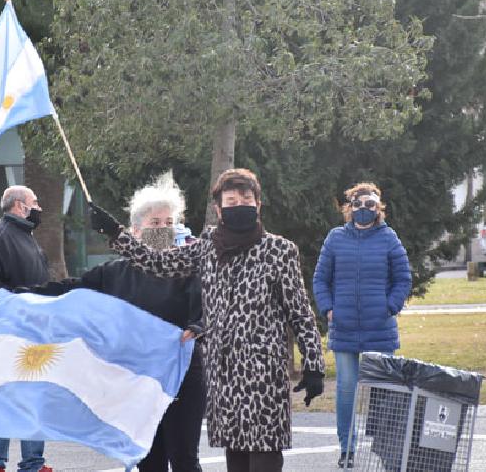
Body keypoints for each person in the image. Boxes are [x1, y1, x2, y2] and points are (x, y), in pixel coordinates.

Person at [90, 168, 325, 472]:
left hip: (264, 373)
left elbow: (300, 312)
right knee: (236, 458)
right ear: (218, 209)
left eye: (246, 198)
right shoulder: (206, 249)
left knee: (265, 456)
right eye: (230, 200)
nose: (239, 204)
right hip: (223, 374)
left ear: (258, 204)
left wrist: (314, 365)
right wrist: (115, 233)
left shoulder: (279, 250)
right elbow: (157, 264)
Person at [28, 172, 205, 472]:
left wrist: (198, 323)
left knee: (185, 458)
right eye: (155, 223)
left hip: (182, 376)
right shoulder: (113, 273)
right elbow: (72, 290)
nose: (163, 229)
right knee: (149, 460)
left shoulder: (188, 268)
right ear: (135, 231)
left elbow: (203, 303)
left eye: (168, 223)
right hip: (136, 377)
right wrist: (20, 295)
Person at [312, 182, 412, 469]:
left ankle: (386, 448)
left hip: (379, 328)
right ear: (350, 208)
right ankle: (347, 448)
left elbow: (403, 278)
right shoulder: (335, 238)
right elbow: (320, 279)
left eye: (371, 205)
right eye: (359, 204)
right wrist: (328, 308)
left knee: (384, 393)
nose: (364, 210)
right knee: (345, 388)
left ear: (378, 208)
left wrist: (389, 306)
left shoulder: (389, 238)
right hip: (343, 326)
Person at [0, 186, 54, 472]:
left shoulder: (24, 236)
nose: (39, 207)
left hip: (31, 328)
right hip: (9, 329)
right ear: (19, 206)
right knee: (5, 394)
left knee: (31, 395)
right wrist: (17, 306)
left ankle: (32, 462)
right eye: (35, 202)